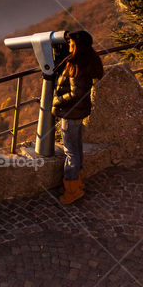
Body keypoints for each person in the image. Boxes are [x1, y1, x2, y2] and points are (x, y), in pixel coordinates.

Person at [52, 30, 104, 204]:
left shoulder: (77, 66)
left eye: (72, 44)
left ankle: (72, 190)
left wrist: (56, 101)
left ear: (78, 47)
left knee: (70, 152)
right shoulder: (84, 60)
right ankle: (76, 182)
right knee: (76, 147)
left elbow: (76, 93)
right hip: (77, 111)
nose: (69, 46)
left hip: (70, 112)